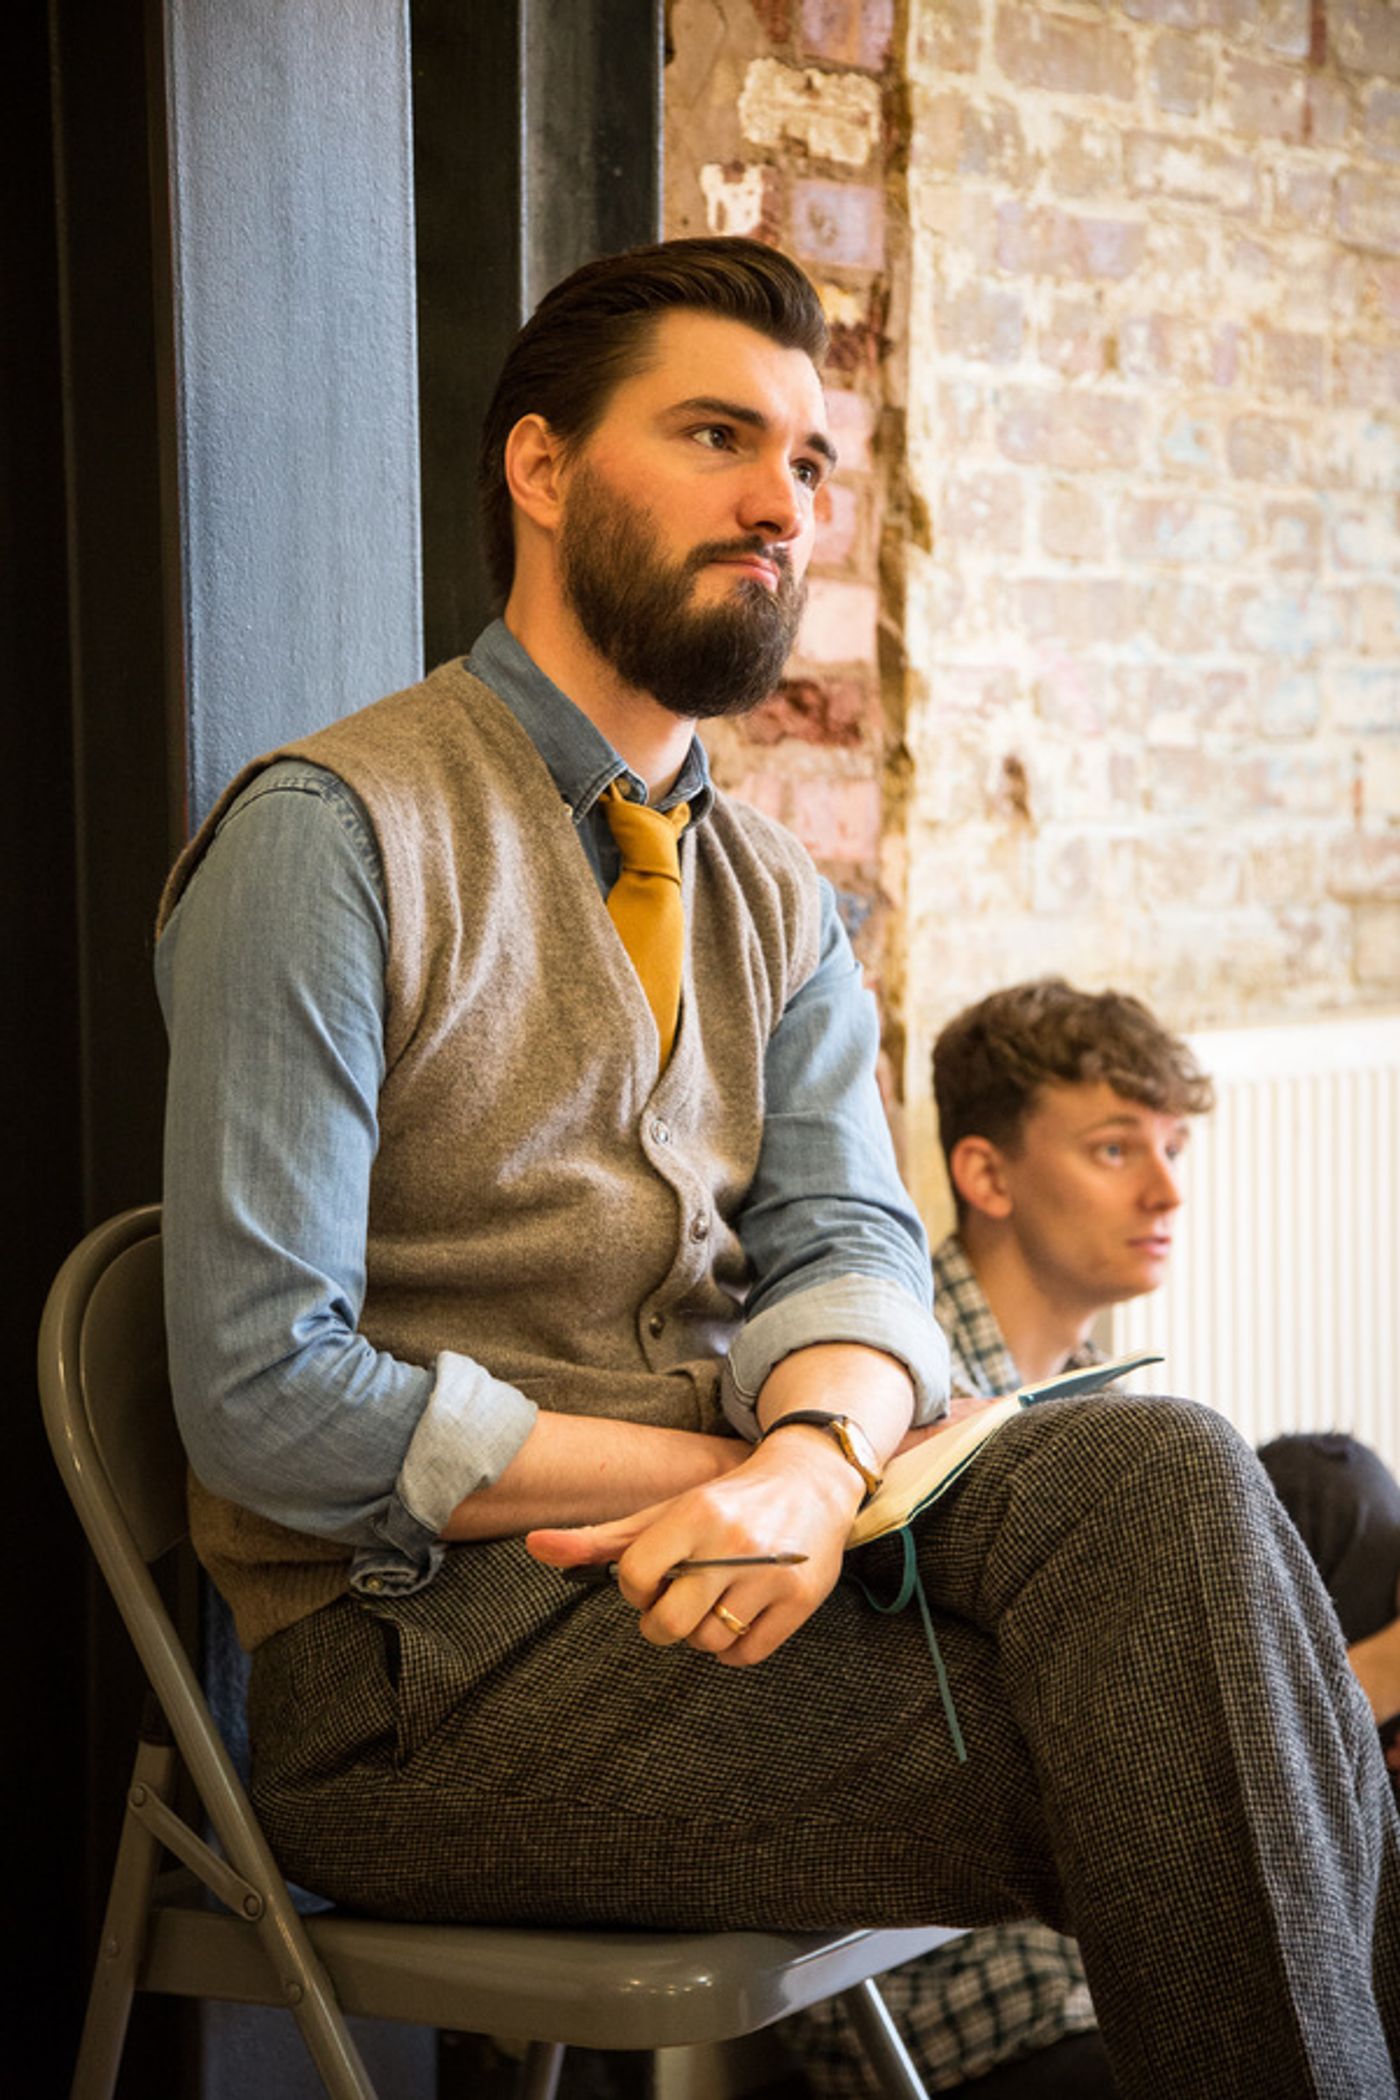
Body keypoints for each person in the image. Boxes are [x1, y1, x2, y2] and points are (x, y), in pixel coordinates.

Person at [154, 237, 1399, 2100]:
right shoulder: (332, 836)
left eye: (811, 463)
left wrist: (815, 1465)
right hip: (429, 1693)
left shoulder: (769, 893)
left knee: (1166, 1472)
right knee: (1235, 1736)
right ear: (546, 469)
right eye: (720, 435)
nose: (781, 502)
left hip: (742, 1586)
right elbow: (261, 1395)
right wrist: (728, 1468)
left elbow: (852, 1254)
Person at [790, 977, 1400, 2099]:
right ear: (984, 1175)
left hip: (1105, 1864)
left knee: (1334, 1493)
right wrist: (1362, 1683)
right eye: (1116, 1150)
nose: (1166, 1187)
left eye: (1172, 1146)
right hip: (971, 1973)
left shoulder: (1089, 1404)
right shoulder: (880, 1375)